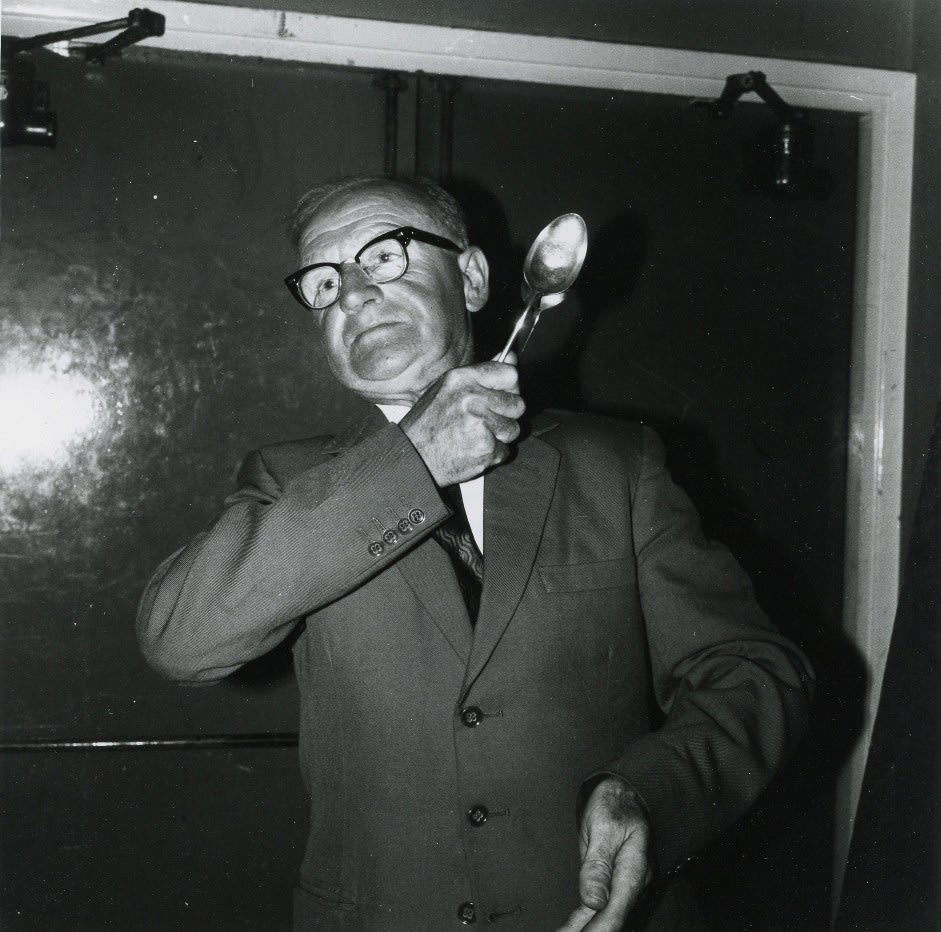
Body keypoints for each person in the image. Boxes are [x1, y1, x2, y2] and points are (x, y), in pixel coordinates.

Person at [137, 174, 814, 931]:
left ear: (471, 276)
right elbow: (180, 642)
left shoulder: (617, 467)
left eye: (384, 256)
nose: (353, 294)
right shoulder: (289, 482)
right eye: (324, 283)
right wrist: (413, 461)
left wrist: (650, 795)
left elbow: (754, 673)